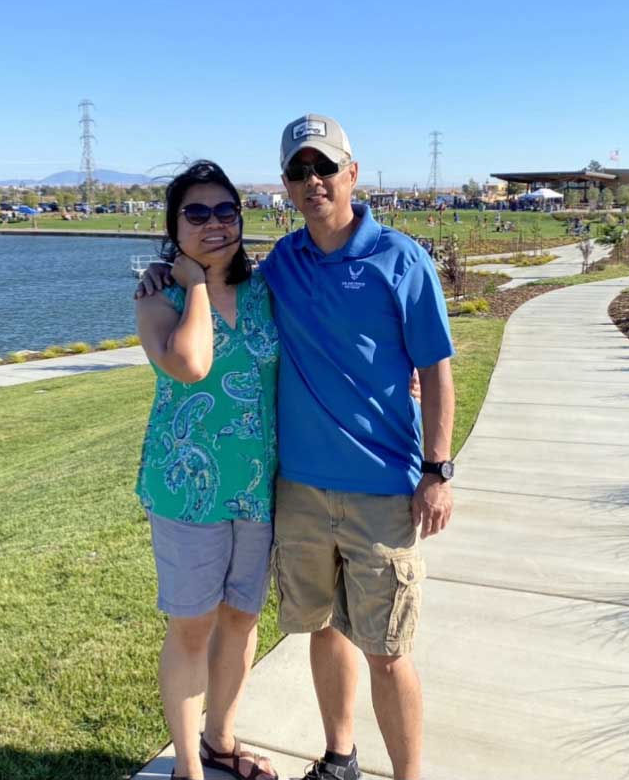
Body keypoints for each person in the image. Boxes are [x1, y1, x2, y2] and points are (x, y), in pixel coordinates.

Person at [139, 115, 455, 780]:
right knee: (320, 627)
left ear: (352, 173)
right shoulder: (275, 267)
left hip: (373, 489)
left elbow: (437, 368)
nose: (314, 181)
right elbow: (197, 345)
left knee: (388, 646)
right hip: (291, 490)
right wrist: (176, 273)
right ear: (286, 185)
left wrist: (437, 468)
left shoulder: (397, 261)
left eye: (325, 167)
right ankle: (337, 756)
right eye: (299, 171)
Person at [134, 161, 281, 780]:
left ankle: (221, 740)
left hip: (256, 486)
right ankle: (189, 766)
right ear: (174, 227)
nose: (214, 224)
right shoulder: (156, 298)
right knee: (192, 626)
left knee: (242, 618)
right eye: (196, 213)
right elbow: (191, 364)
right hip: (186, 492)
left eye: (226, 211)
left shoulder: (267, 289)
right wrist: (194, 284)